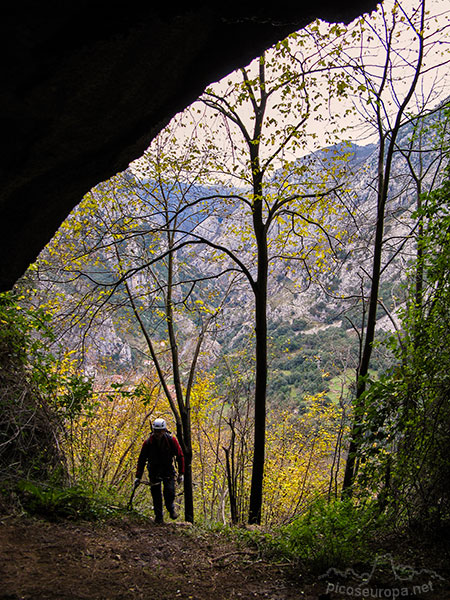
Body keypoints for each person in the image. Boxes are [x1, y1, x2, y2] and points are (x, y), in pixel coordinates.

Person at [134, 418, 184, 524]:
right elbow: (141, 460)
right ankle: (159, 517)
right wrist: (138, 476)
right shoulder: (148, 443)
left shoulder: (171, 440)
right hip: (154, 471)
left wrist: (181, 473)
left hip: (168, 470)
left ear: (164, 430)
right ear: (153, 430)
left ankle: (171, 509)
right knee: (156, 495)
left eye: (160, 431)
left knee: (169, 492)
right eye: (156, 431)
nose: (158, 433)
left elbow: (180, 456)